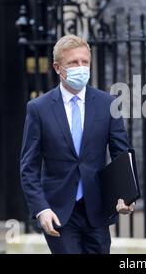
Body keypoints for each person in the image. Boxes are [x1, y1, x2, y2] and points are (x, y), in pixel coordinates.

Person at [20, 34, 135, 254]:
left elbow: (121, 155)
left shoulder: (107, 104)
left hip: (97, 210)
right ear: (57, 67)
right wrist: (41, 209)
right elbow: (29, 167)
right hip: (58, 212)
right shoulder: (38, 109)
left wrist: (127, 196)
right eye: (73, 62)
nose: (80, 67)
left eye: (84, 62)